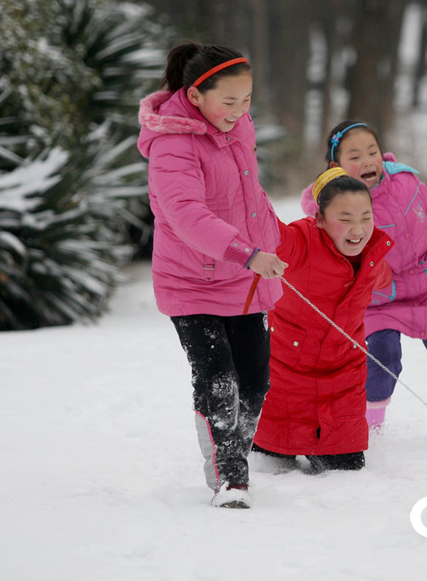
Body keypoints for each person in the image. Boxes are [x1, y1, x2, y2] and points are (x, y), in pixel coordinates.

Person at [137, 41, 288, 508]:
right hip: (193, 281)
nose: (240, 111)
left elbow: (247, 195)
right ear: (196, 95)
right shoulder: (173, 144)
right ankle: (229, 478)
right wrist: (246, 252)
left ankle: (235, 454)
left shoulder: (236, 125)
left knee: (255, 380)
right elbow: (185, 213)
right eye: (229, 101)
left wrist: (272, 240)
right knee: (218, 379)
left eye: (246, 101)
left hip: (245, 277)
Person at [300, 121, 427, 437]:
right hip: (379, 300)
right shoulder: (336, 207)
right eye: (355, 156)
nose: (367, 161)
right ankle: (372, 424)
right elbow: (327, 247)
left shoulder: (406, 182)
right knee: (381, 360)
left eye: (372, 152)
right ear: (337, 167)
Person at [252, 168, 393, 472]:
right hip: (287, 378)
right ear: (319, 218)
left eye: (365, 218)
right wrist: (242, 173)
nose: (357, 230)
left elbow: (382, 277)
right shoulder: (299, 241)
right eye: (345, 220)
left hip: (344, 382)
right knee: (272, 467)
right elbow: (265, 227)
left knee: (347, 472)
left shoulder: (372, 254)